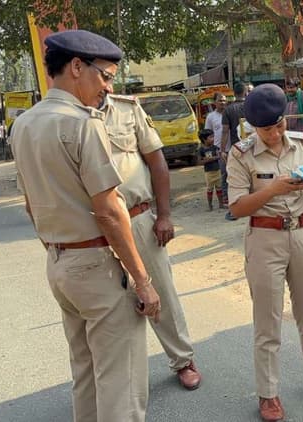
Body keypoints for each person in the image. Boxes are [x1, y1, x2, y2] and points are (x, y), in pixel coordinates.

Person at [9, 29, 161, 421]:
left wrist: (61, 251)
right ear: (77, 67)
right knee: (121, 386)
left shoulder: (23, 125)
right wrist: (142, 280)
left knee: (86, 374)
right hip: (96, 267)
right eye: (105, 76)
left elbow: (31, 205)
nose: (108, 87)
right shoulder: (83, 123)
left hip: (60, 264)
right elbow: (109, 211)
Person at [226, 84, 303, 422]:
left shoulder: (301, 143)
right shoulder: (241, 154)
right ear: (253, 127)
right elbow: (236, 208)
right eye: (267, 130)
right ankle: (268, 394)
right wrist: (273, 189)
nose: (276, 134)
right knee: (268, 321)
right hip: (265, 239)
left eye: (279, 125)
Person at [102, 91, 202, 390]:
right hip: (96, 229)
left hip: (137, 219)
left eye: (109, 75)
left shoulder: (127, 109)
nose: (105, 82)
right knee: (112, 303)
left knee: (161, 293)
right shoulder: (70, 117)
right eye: (102, 73)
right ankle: (123, 373)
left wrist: (164, 215)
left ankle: (183, 360)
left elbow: (157, 162)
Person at [221, 82, 250, 221]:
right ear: (245, 92)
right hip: (252, 146)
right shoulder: (250, 106)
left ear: (234, 93)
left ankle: (234, 210)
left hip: (236, 147)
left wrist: (222, 150)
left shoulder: (228, 110)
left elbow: (225, 131)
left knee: (235, 178)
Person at [198, 128, 224, 210]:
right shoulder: (201, 150)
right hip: (208, 172)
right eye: (211, 137)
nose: (213, 139)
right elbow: (199, 161)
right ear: (204, 139)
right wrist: (211, 159)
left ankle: (221, 204)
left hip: (217, 170)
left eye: (213, 137)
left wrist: (209, 159)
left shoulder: (215, 147)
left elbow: (219, 156)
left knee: (219, 188)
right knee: (210, 189)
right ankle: (210, 206)